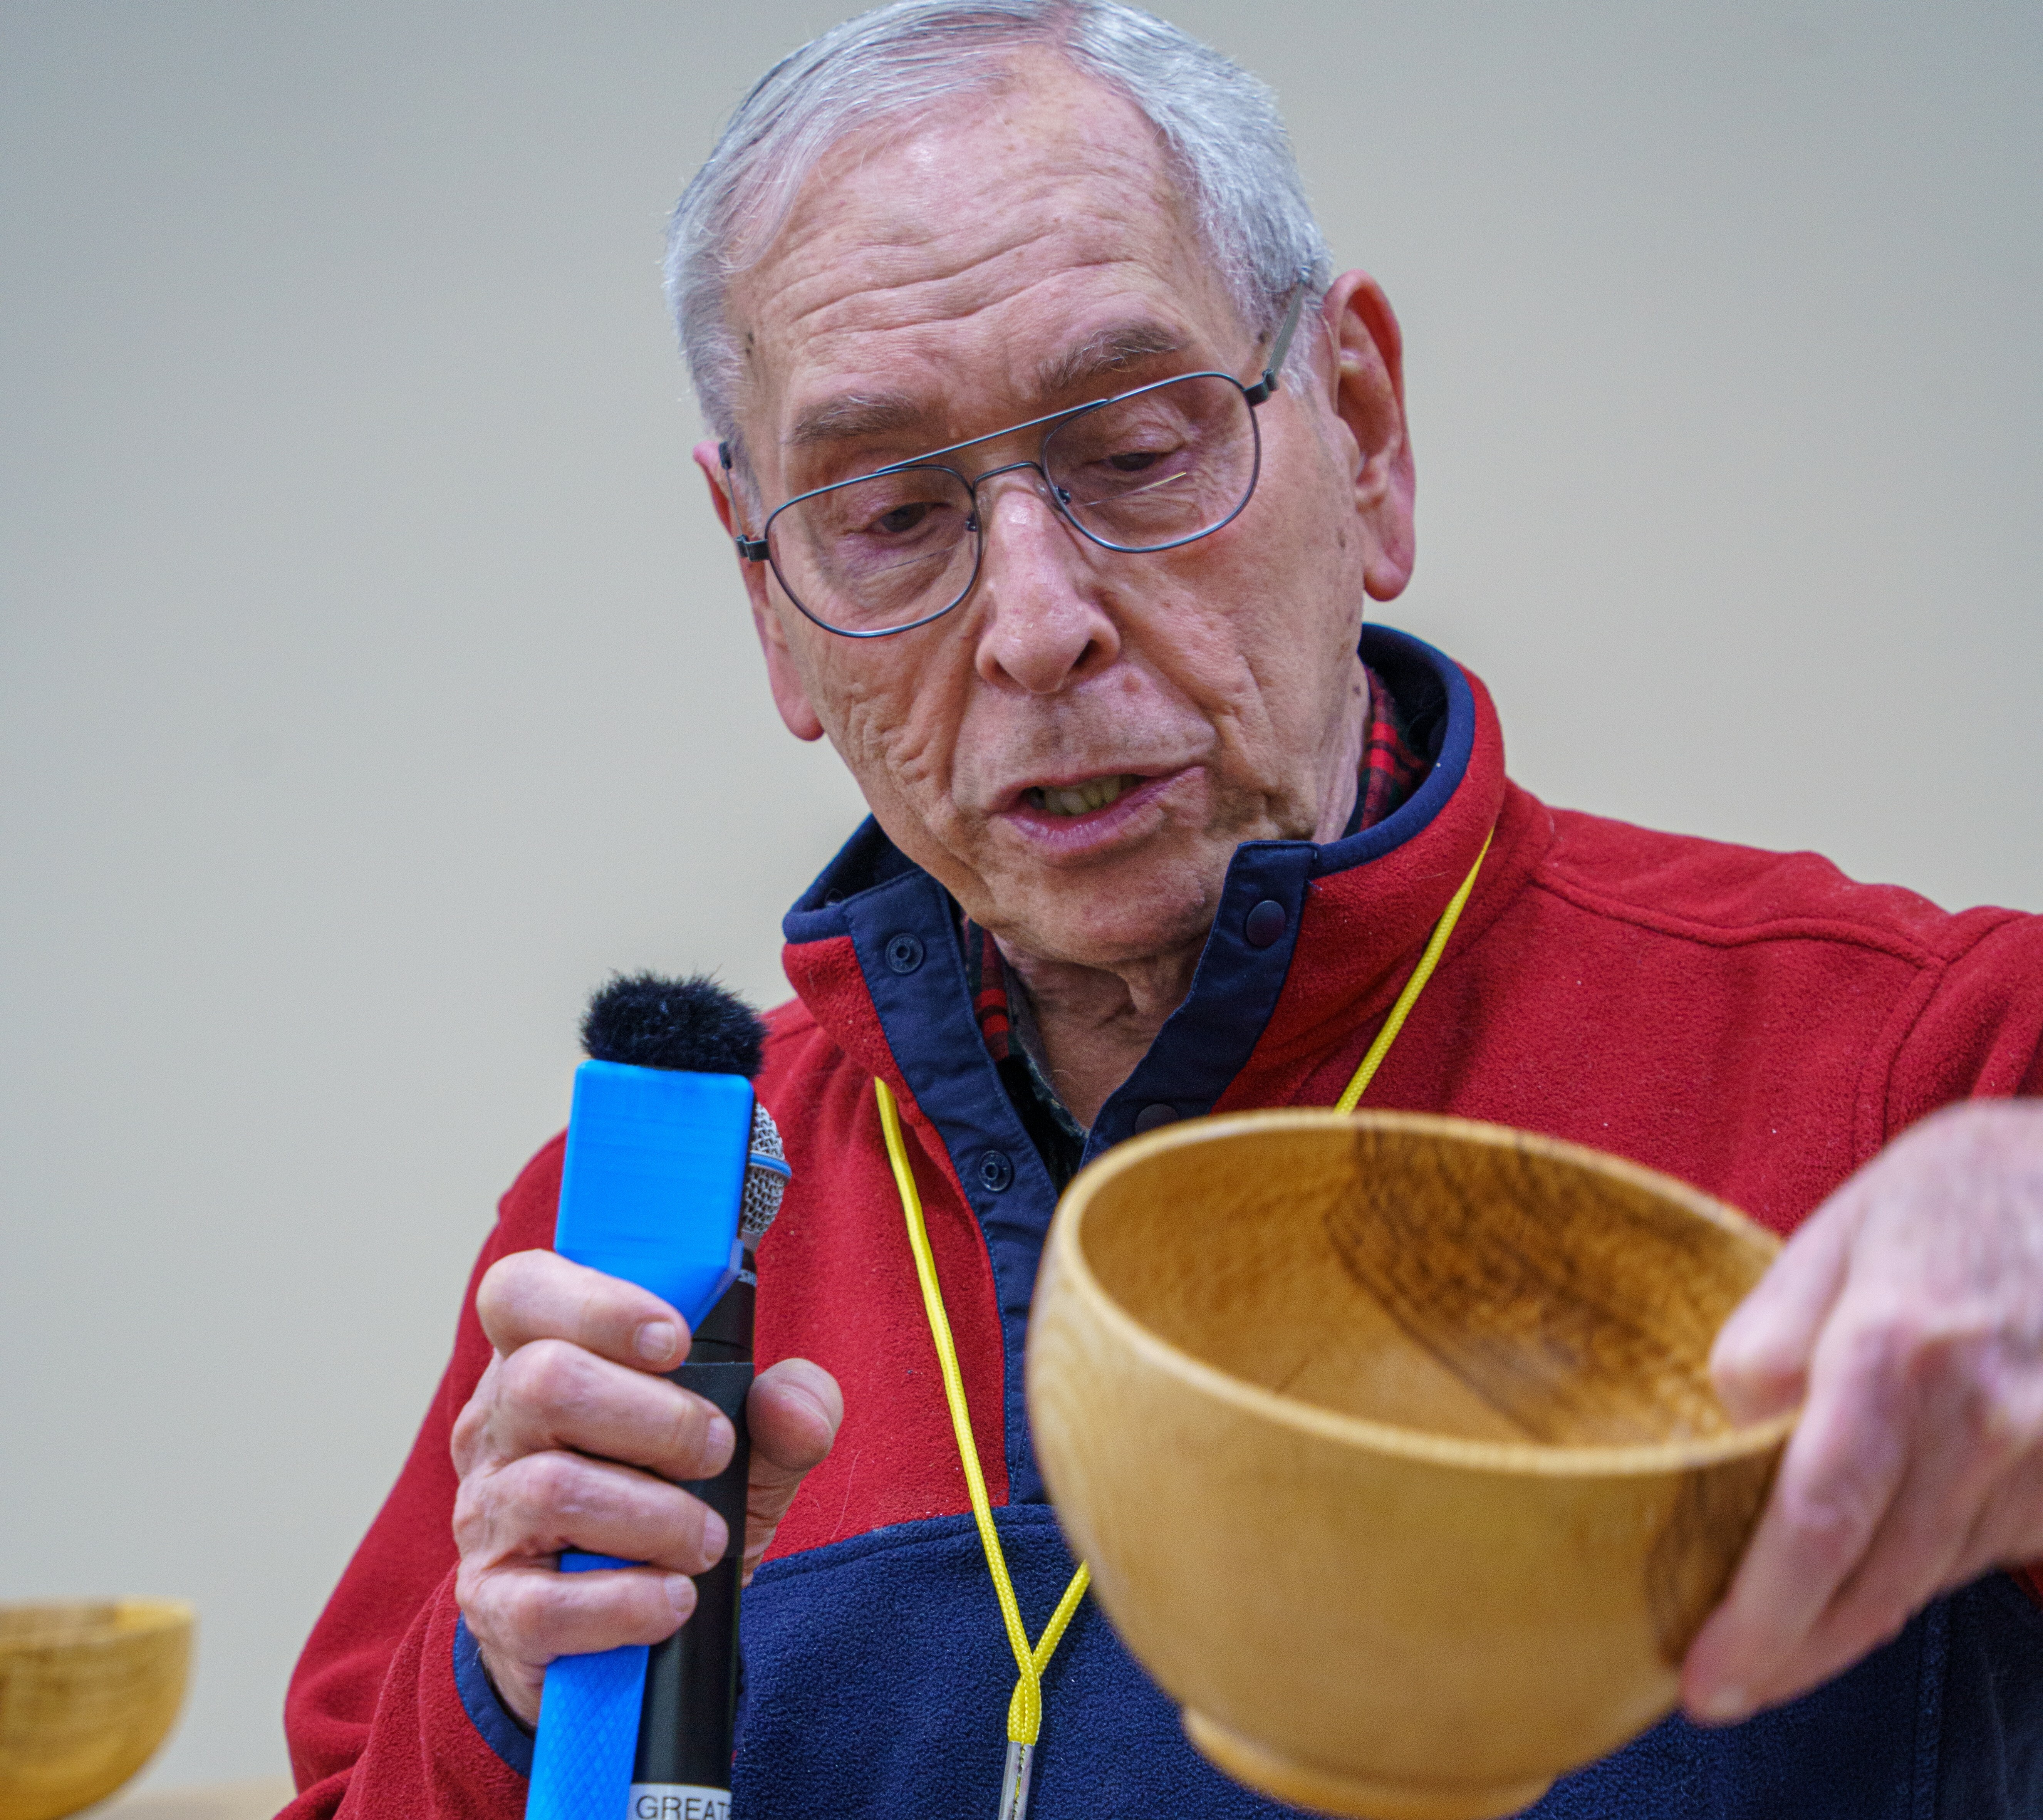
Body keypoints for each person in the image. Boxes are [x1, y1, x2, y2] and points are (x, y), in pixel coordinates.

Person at [281, 2, 2043, 1814]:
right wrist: (514, 1693)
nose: (1039, 623)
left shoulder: (1938, 1072)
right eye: (889, 512)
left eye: (1136, 450)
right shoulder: (649, 1239)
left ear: (1363, 436)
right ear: (768, 603)